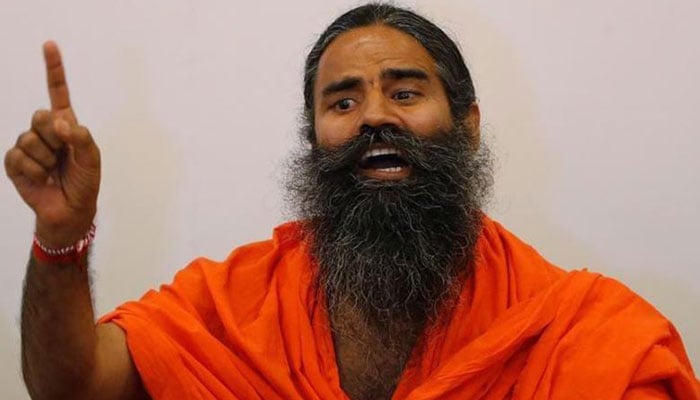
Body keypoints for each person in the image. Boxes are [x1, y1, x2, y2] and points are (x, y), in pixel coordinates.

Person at [5, 3, 699, 400]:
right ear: (315, 139)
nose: (374, 117)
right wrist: (61, 235)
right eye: (342, 101)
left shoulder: (584, 334)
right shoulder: (233, 305)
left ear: (468, 126)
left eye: (405, 92)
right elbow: (74, 388)